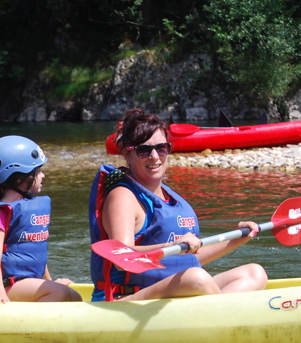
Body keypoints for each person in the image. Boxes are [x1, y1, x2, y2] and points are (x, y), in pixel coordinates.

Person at [89, 108, 268, 302]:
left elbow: (187, 259)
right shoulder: (123, 196)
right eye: (144, 151)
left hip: (176, 289)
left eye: (161, 148)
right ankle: (227, 317)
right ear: (127, 154)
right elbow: (121, 258)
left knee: (253, 273)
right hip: (127, 299)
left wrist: (238, 239)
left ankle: (217, 314)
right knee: (195, 277)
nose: (155, 157)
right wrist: (171, 245)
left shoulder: (167, 194)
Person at [0, 136, 81, 304]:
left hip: (26, 284)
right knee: (60, 293)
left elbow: (37, 255)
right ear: (19, 178)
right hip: (3, 287)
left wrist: (50, 282)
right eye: (38, 171)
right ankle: (33, 329)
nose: (43, 175)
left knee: (75, 297)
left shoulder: (28, 210)